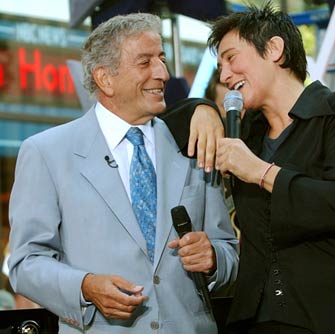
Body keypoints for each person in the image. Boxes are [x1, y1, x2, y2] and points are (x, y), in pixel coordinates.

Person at [167, 2, 335, 333]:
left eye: (232, 58)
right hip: (258, 319)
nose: (225, 75)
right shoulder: (246, 135)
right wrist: (200, 108)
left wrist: (261, 172)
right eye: (220, 67)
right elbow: (158, 124)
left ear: (274, 49)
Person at [7, 13, 238, 334]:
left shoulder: (195, 144)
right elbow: (25, 263)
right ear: (105, 78)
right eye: (145, 62)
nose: (163, 73)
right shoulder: (47, 152)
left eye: (162, 58)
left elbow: (230, 251)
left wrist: (214, 257)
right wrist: (84, 286)